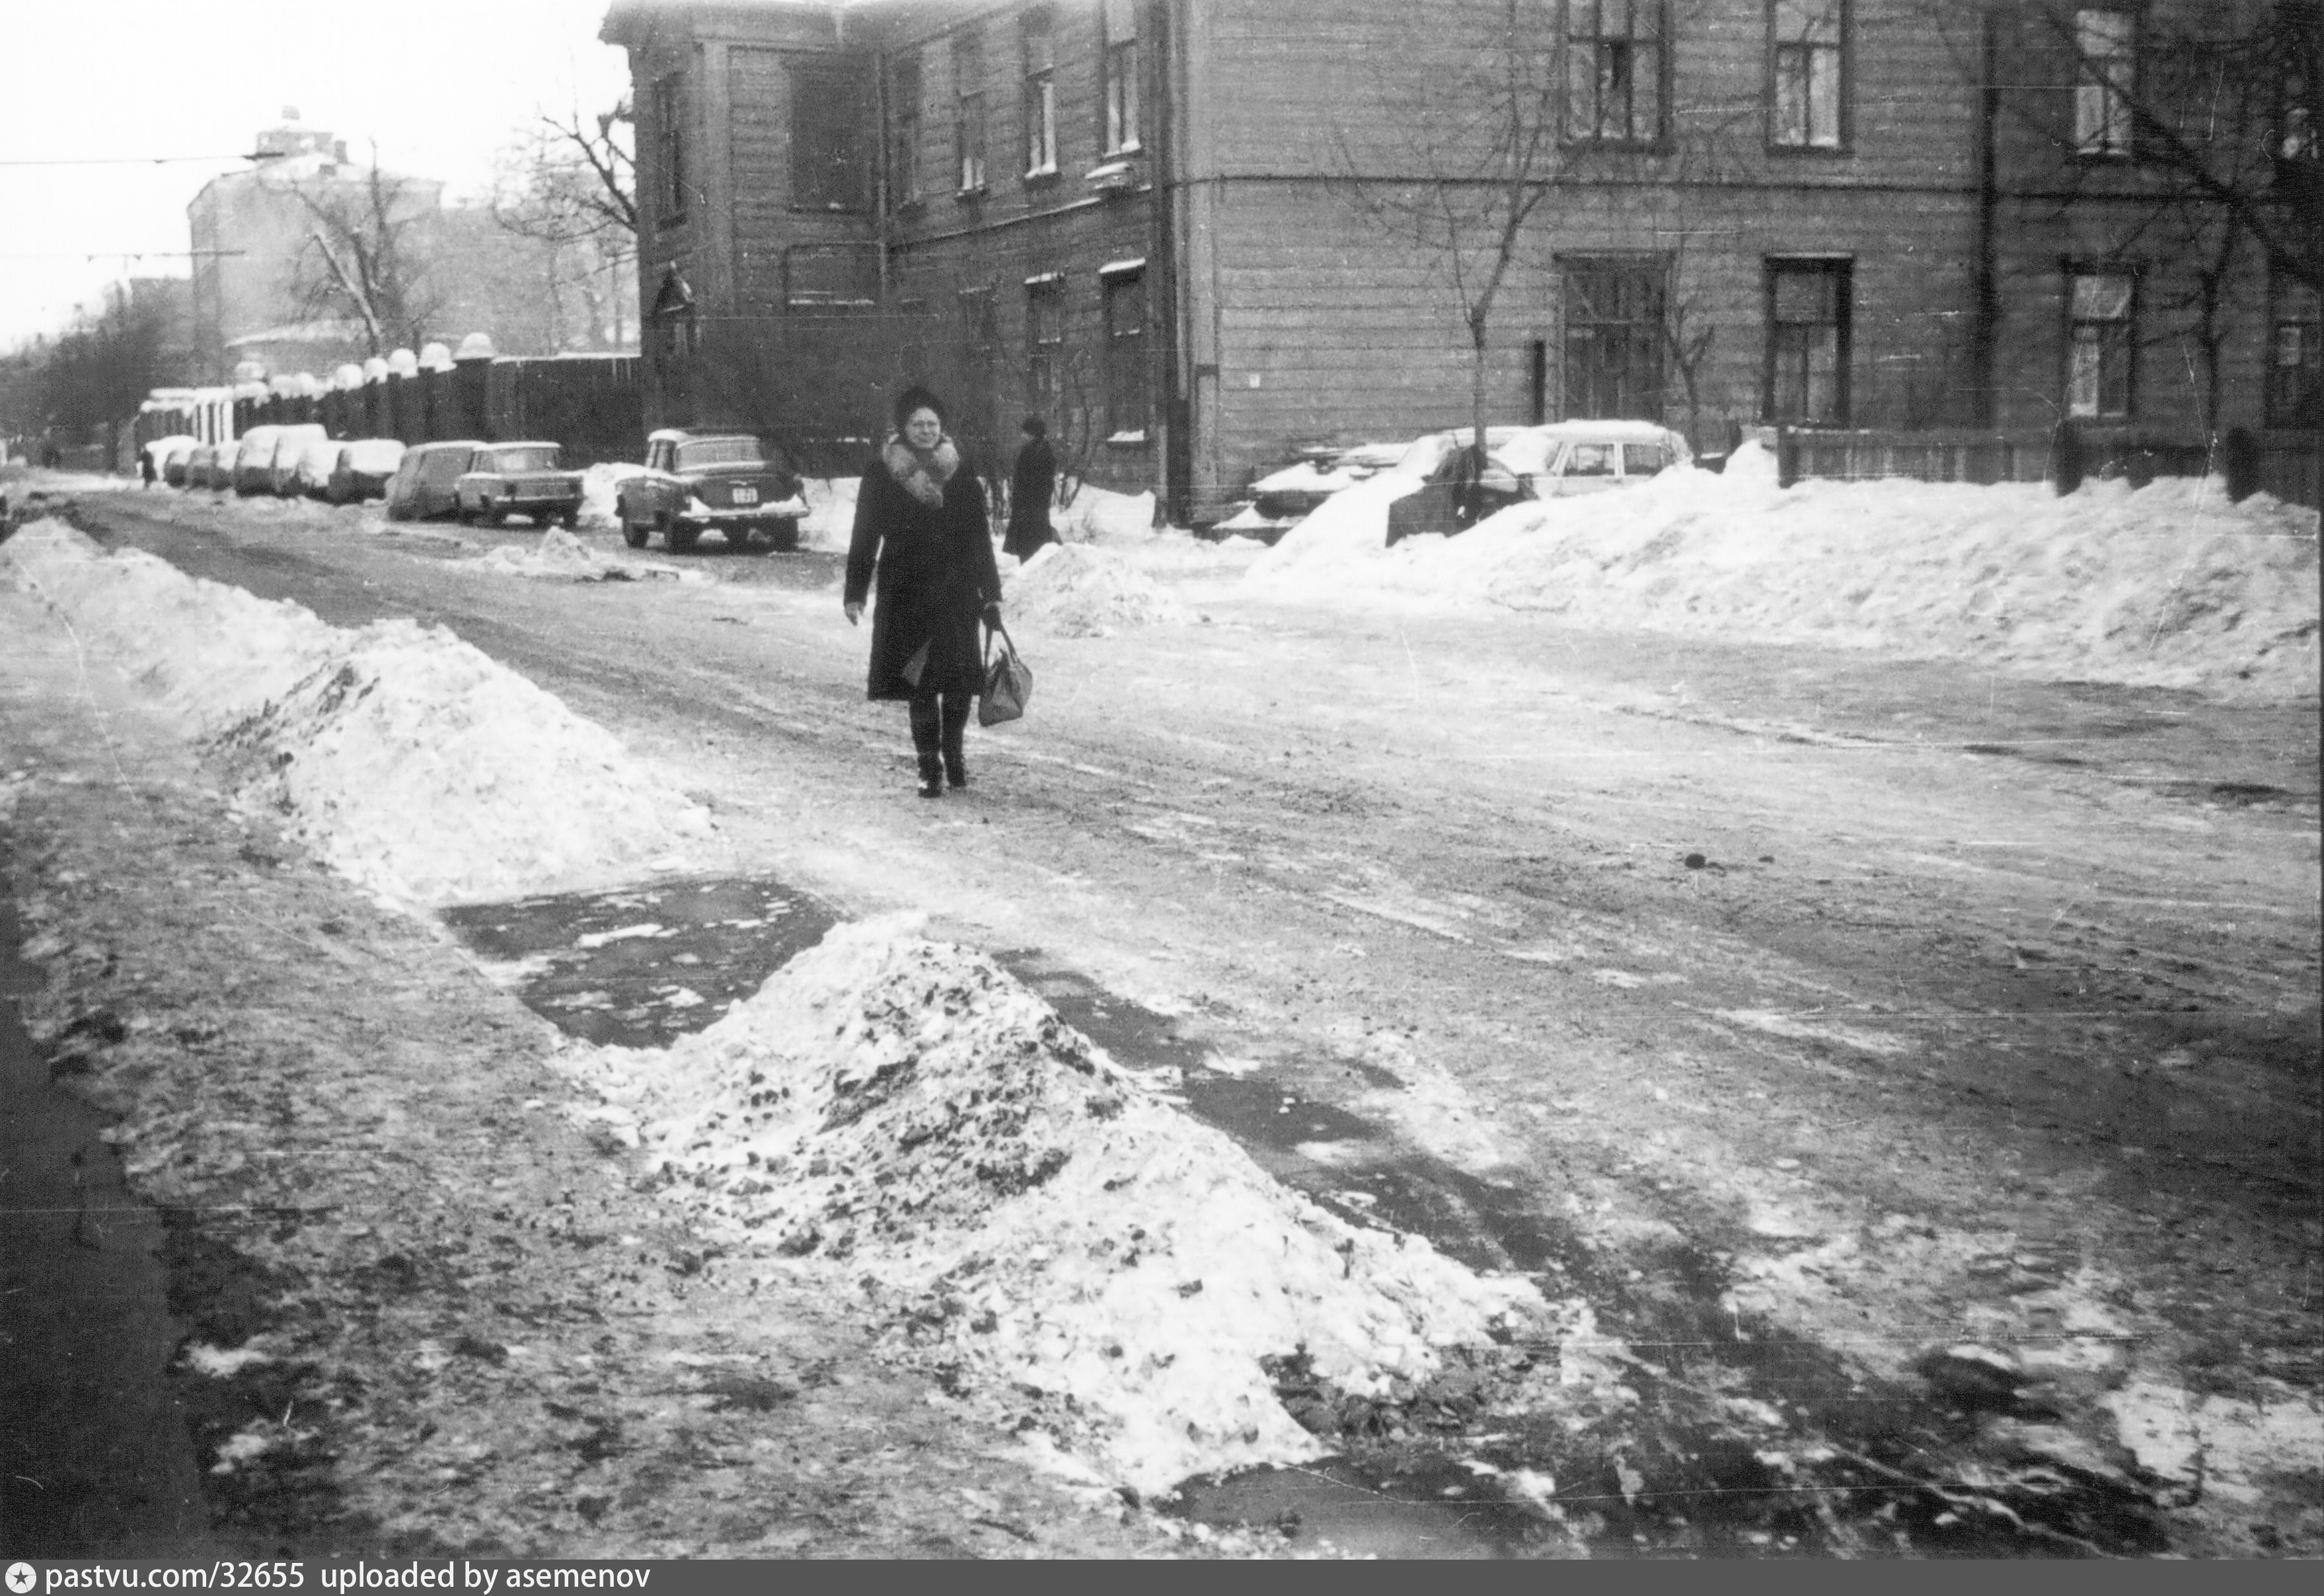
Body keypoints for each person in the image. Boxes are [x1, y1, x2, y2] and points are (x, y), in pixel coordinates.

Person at [844, 386, 1004, 798]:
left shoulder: (960, 470)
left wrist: (992, 591)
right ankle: (928, 766)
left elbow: (979, 535)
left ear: (942, 428)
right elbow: (865, 533)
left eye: (932, 424)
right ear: (904, 428)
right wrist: (855, 591)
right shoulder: (882, 472)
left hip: (957, 590)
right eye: (918, 424)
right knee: (920, 684)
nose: (926, 431)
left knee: (957, 684)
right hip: (906, 591)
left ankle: (954, 753)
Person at [1002, 416, 1058, 561]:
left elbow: (1042, 482)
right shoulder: (1033, 450)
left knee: (1032, 547)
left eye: (1026, 433)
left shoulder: (1040, 452)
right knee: (1028, 546)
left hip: (1032, 509)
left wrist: (1025, 503)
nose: (1023, 436)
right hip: (1028, 508)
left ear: (1033, 433)